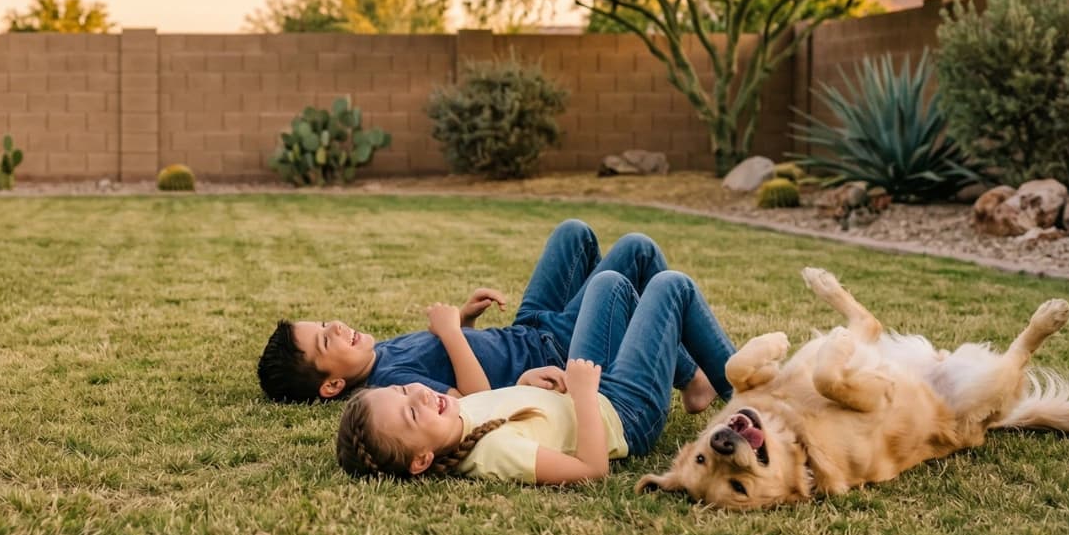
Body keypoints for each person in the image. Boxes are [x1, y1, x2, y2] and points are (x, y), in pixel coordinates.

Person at [256, 220, 730, 410]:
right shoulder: (390, 383)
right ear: (333, 385)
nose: (335, 327)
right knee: (637, 250)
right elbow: (474, 399)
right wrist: (450, 332)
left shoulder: (381, 352)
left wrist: (463, 320)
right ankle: (693, 380)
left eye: (323, 323)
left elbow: (451, 353)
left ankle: (670, 363)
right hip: (556, 351)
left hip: (527, 329)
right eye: (325, 342)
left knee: (574, 234)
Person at [335, 270, 734, 485]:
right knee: (670, 285)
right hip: (624, 416)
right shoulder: (492, 455)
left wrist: (527, 382)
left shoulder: (455, 418)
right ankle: (748, 400)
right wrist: (582, 396)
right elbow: (591, 470)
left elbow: (503, 407)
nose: (420, 395)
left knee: (609, 284)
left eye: (405, 390)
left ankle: (696, 384)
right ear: (421, 460)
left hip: (587, 387)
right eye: (410, 414)